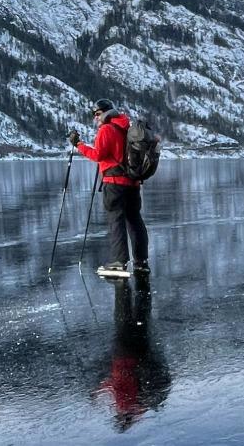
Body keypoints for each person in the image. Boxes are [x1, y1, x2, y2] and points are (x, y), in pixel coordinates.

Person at [73, 100, 148, 277]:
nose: (96, 118)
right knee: (135, 221)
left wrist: (79, 145)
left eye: (97, 114)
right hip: (132, 184)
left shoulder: (106, 129)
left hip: (114, 183)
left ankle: (119, 263)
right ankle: (141, 261)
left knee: (116, 222)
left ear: (107, 113)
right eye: (94, 115)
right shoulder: (126, 128)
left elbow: (98, 155)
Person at [93, 277, 172, 432]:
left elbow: (115, 386)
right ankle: (124, 287)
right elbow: (115, 384)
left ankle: (141, 288)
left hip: (137, 357)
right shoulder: (125, 405)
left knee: (140, 320)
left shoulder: (139, 409)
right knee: (124, 319)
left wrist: (99, 390)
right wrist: (98, 390)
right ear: (121, 417)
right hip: (124, 356)